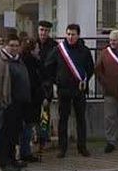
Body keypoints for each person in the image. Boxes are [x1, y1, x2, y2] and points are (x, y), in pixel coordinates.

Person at [46, 24, 94, 158]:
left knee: (80, 119)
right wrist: (57, 80)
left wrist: (85, 80)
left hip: (79, 90)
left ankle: (82, 147)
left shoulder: (84, 51)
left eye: (73, 34)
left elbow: (90, 68)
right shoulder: (59, 50)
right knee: (63, 119)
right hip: (64, 90)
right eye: (68, 34)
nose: (70, 37)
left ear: (78, 35)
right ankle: (62, 148)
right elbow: (49, 66)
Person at [0, 35, 31, 171]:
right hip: (6, 105)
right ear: (5, 46)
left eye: (16, 45)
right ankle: (4, 162)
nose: (14, 48)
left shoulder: (18, 60)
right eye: (11, 45)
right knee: (4, 135)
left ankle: (12, 159)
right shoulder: (0, 61)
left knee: (13, 135)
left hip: (18, 105)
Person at [19, 38, 45, 163]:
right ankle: (25, 152)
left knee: (28, 127)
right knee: (27, 128)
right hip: (29, 101)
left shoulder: (31, 62)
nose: (39, 50)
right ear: (32, 50)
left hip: (32, 100)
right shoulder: (29, 63)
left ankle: (26, 151)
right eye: (37, 48)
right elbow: (33, 83)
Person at [36, 21, 58, 151]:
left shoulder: (54, 46)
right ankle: (36, 135)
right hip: (34, 83)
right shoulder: (33, 43)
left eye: (45, 30)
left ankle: (44, 136)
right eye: (41, 30)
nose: (43, 33)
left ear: (49, 32)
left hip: (47, 83)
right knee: (34, 111)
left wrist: (53, 81)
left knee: (45, 111)